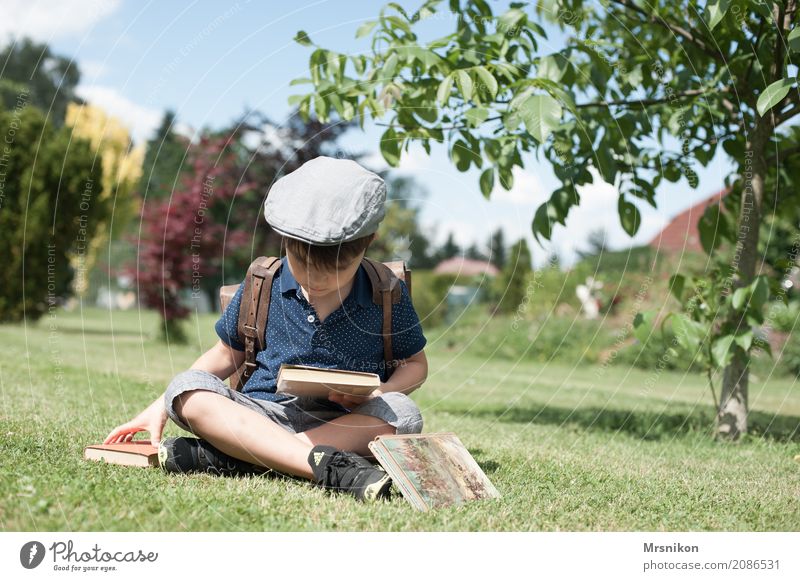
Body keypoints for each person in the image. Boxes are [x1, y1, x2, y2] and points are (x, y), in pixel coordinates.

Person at [104, 156, 428, 502]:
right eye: (303, 267)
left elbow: (416, 365)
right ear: (285, 239)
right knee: (185, 389)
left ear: (369, 240)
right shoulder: (263, 283)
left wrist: (380, 392)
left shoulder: (386, 291)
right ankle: (327, 466)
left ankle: (239, 457)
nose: (315, 282)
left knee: (404, 414)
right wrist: (159, 406)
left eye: (334, 273)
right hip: (261, 415)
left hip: (344, 423)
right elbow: (223, 356)